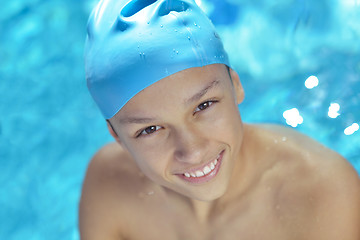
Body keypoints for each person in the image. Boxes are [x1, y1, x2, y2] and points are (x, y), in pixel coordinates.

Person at [79, 0, 360, 239]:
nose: (193, 151)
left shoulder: (325, 195)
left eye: (204, 106)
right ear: (117, 138)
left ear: (236, 85)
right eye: (150, 129)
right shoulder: (109, 188)